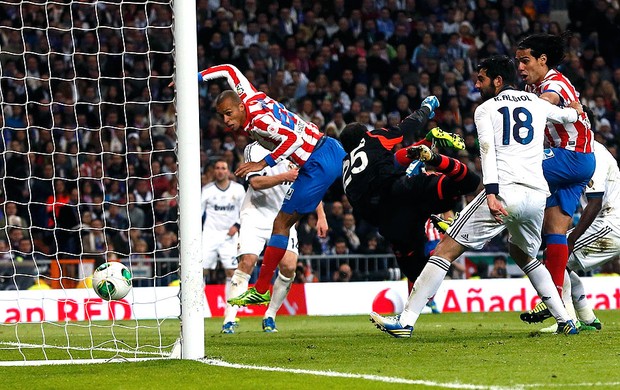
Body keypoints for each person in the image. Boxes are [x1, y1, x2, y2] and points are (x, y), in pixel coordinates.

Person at [369, 55, 584, 338]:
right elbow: (568, 115)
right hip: (536, 197)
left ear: (497, 80)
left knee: (445, 248)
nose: (476, 83)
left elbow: (488, 153)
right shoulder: (536, 102)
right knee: (523, 253)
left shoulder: (486, 110)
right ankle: (564, 319)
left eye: (481, 78)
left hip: (504, 191)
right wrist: (577, 109)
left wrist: (492, 194)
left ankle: (406, 321)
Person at [195, 64, 345, 307]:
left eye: (229, 113)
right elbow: (230, 70)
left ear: (241, 108)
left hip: (316, 162)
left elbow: (293, 139)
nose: (226, 120)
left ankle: (262, 290)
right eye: (222, 115)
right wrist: (195, 78)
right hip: (330, 148)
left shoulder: (260, 122)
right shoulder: (248, 94)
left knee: (281, 223)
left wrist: (261, 163)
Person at [338, 95, 478, 293]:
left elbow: (391, 162)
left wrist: (424, 143)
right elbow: (408, 125)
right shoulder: (372, 139)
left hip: (387, 221)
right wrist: (426, 108)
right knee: (467, 182)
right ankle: (436, 168)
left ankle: (410, 313)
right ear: (364, 135)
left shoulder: (345, 167)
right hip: (401, 192)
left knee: (418, 277)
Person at [515, 33, 595, 315]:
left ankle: (474, 222)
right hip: (580, 163)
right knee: (555, 231)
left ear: (542, 60)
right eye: (518, 62)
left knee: (512, 171)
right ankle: (555, 302)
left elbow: (544, 103)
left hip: (569, 156)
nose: (521, 68)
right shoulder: (538, 86)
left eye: (525, 61)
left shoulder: (552, 83)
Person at [222, 141, 328, 333]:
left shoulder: (297, 150)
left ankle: (270, 316)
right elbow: (255, 182)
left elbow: (312, 184)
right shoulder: (253, 149)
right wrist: (285, 177)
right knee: (247, 262)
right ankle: (229, 319)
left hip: (284, 216)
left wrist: (321, 216)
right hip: (255, 213)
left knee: (289, 267)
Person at [528, 140, 619, 332]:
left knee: (559, 257)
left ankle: (567, 318)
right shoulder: (581, 152)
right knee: (557, 257)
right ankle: (588, 318)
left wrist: (572, 239)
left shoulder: (593, 152)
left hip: (611, 223)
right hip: (607, 222)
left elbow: (595, 202)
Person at [200, 160, 245, 302]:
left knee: (232, 271)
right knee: (201, 270)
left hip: (230, 236)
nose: (220, 171)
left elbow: (245, 210)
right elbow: (198, 213)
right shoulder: (207, 190)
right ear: (214, 171)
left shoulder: (238, 189)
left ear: (228, 171)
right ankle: (197, 307)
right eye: (217, 168)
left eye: (223, 168)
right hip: (209, 234)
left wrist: (237, 226)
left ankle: (230, 308)